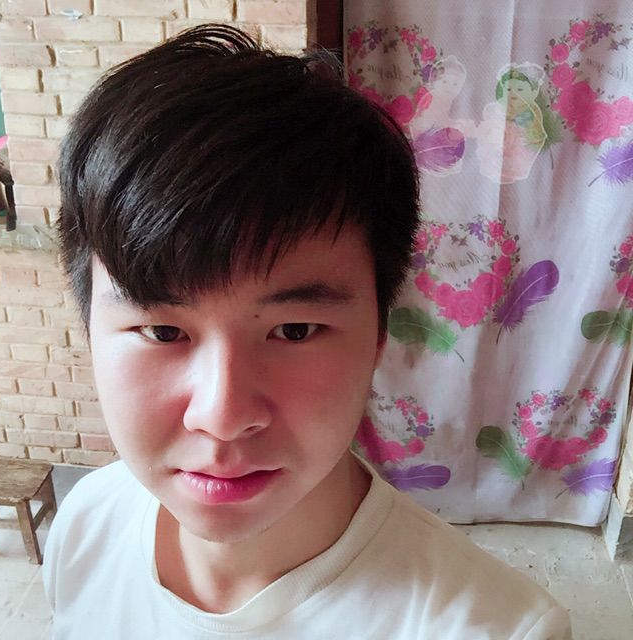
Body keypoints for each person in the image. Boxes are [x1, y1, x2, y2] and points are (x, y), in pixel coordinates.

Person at [43, 24, 572, 639]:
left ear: (379, 335)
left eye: (294, 330)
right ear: (89, 327)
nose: (222, 417)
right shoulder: (86, 523)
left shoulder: (496, 629)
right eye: (162, 332)